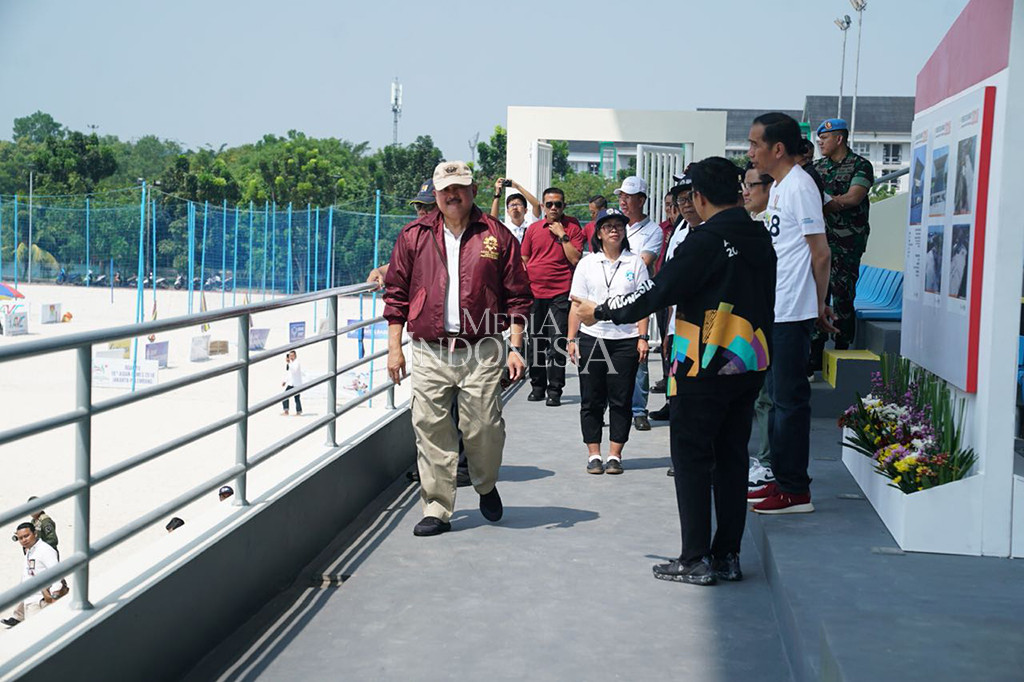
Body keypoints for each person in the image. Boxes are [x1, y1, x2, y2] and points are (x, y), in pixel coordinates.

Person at [572, 156, 776, 585]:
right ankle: (727, 555)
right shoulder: (760, 235)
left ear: (699, 197)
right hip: (749, 362)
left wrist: (601, 311)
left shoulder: (704, 241)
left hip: (703, 366)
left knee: (692, 460)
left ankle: (695, 558)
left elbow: (657, 291)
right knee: (732, 458)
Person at [383, 160, 532, 536]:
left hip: (481, 348)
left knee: (484, 427)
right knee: (429, 427)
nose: (453, 195)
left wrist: (515, 348)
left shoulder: (496, 235)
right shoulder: (414, 235)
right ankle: (436, 508)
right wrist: (394, 348)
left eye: (459, 188)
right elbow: (396, 294)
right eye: (445, 189)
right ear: (435, 194)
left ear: (473, 191)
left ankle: (485, 482)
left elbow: (518, 295)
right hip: (429, 349)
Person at [746, 112, 837, 515]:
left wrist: (818, 304)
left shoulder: (800, 186)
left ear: (778, 148)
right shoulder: (781, 187)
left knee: (789, 404)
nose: (750, 152)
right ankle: (781, 478)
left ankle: (795, 490)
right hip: (775, 308)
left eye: (755, 144)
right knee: (777, 401)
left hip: (792, 312)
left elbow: (821, 252)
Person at [567, 208, 649, 475]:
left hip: (625, 339)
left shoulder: (635, 263)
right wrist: (571, 339)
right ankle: (593, 454)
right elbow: (576, 304)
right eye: (608, 226)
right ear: (599, 233)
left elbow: (644, 304)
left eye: (619, 226)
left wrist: (643, 337)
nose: (614, 230)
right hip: (592, 338)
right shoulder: (587, 263)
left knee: (621, 399)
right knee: (591, 399)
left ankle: (615, 455)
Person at [811, 118, 875, 369]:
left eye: (825, 139)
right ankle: (815, 355)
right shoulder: (817, 168)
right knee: (817, 295)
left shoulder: (860, 165)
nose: (821, 143)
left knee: (843, 296)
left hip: (847, 242)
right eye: (819, 139)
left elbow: (853, 197)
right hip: (819, 242)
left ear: (839, 139)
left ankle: (841, 351)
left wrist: (825, 204)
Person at [521, 187, 586, 407]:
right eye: (549, 204)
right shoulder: (533, 229)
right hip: (535, 293)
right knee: (535, 341)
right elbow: (524, 258)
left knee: (557, 341)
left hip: (561, 292)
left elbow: (575, 258)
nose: (553, 208)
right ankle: (537, 386)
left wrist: (562, 235)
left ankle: (555, 390)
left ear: (564, 206)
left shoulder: (573, 227)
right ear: (543, 206)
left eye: (558, 204)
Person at [614, 176, 664, 431]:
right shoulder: (614, 225)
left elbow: (643, 263)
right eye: (621, 196)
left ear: (642, 200)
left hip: (637, 300)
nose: (623, 201)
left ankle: (638, 409)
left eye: (629, 197)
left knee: (639, 353)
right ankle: (614, 408)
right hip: (611, 296)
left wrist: (616, 265)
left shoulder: (653, 231)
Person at [742, 164, 777, 489]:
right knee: (759, 397)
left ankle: (768, 463)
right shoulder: (751, 222)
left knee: (768, 397)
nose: (746, 192)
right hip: (752, 321)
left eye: (751, 185)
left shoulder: (772, 224)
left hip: (775, 318)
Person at [2, 523, 68, 627]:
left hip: (39, 601)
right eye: (20, 538)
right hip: (30, 599)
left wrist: (54, 596)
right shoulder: (30, 550)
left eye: (26, 536)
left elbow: (57, 573)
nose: (24, 540)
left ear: (35, 534)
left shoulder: (45, 550)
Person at [281, 350, 303, 416]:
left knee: (296, 398)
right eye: (290, 355)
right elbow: (289, 373)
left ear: (295, 356)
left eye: (292, 355)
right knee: (285, 395)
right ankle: (286, 410)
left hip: (296, 384)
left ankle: (298, 412)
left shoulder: (297, 363)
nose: (291, 357)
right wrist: (285, 381)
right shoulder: (291, 363)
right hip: (291, 383)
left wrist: (289, 363)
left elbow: (294, 371)